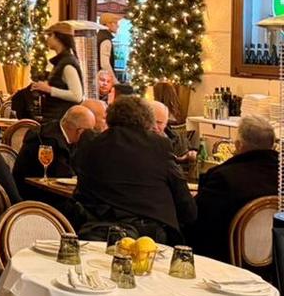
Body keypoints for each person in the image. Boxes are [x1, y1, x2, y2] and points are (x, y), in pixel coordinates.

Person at [72, 96, 197, 244]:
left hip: (95, 229)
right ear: (147, 119)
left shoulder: (93, 143)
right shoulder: (158, 144)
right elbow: (184, 202)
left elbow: (81, 192)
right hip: (146, 235)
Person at [190, 115, 279, 266]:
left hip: (225, 260)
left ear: (239, 145)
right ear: (272, 145)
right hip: (274, 262)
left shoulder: (224, 178)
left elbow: (196, 218)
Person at [15, 105, 96, 191]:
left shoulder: (56, 130)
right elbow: (62, 175)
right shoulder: (48, 141)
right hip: (34, 195)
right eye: (89, 131)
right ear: (80, 131)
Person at [31, 27, 84, 128]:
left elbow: (77, 95)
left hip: (59, 118)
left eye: (50, 35)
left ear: (58, 38)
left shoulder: (67, 64)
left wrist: (49, 89)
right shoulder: (61, 62)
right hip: (55, 117)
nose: (47, 39)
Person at [97, 13, 119, 81]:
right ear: (108, 24)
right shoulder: (106, 40)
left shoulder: (99, 36)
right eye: (115, 23)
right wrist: (114, 80)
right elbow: (105, 64)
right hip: (104, 80)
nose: (118, 26)